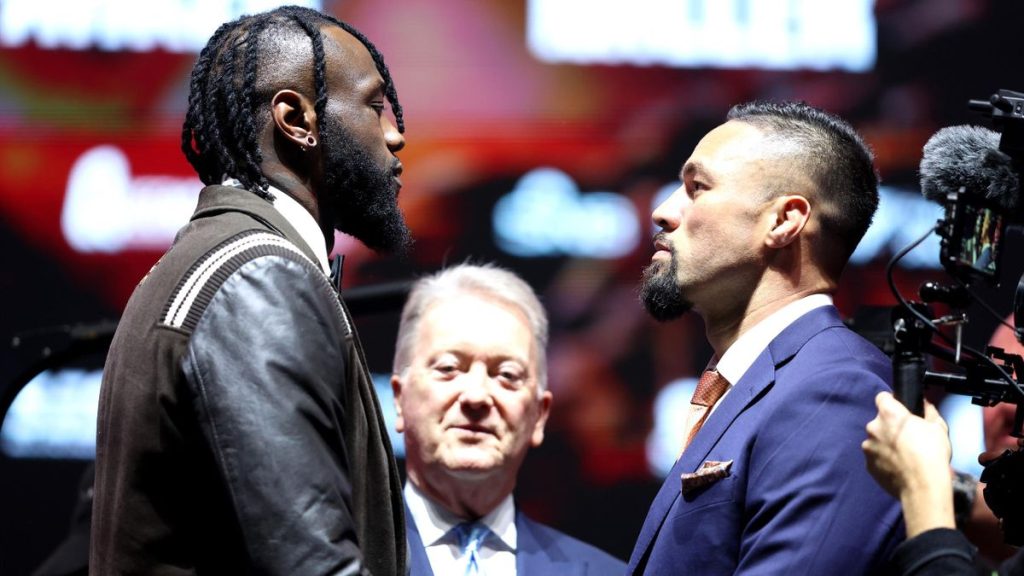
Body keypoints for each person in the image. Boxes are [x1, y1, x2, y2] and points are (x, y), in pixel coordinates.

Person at [91, 6, 411, 574]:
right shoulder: (258, 279)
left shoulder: (217, 260)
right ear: (296, 120)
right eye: (374, 105)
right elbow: (310, 565)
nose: (395, 135)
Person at [627, 101, 904, 574]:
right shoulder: (765, 383)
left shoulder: (836, 390)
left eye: (697, 187)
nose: (662, 211)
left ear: (783, 221)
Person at [390, 263, 627, 575]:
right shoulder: (331, 558)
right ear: (399, 399)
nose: (476, 396)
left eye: (506, 375)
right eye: (448, 368)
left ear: (539, 415)